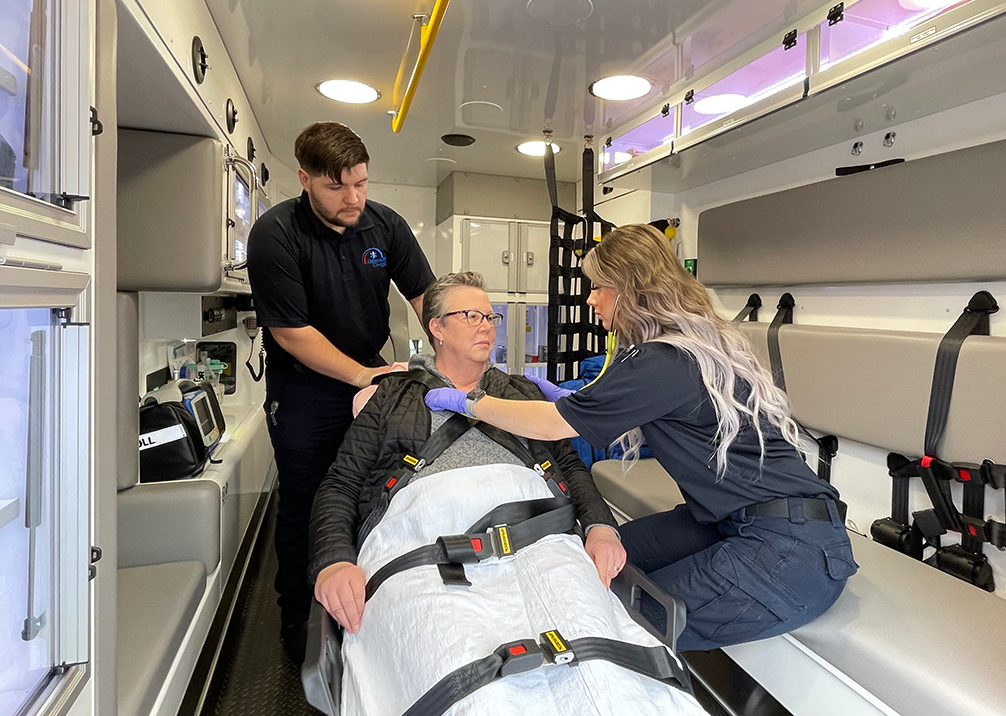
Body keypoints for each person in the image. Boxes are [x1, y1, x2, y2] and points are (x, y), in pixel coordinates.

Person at [425, 224, 858, 652]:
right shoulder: (685, 345)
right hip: (737, 520)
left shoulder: (663, 359)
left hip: (789, 550)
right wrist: (576, 400)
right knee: (594, 559)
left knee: (619, 617)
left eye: (598, 287)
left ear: (629, 288)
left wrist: (468, 400)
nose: (591, 299)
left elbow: (549, 426)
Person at [309, 271, 626, 635]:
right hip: (428, 549)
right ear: (437, 328)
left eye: (491, 317)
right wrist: (333, 561)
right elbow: (341, 484)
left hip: (537, 538)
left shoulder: (522, 393)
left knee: (593, 636)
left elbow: (570, 465)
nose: (487, 327)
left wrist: (601, 527)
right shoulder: (391, 396)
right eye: (471, 316)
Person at [246, 121, 434, 660]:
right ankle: (297, 627)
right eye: (337, 188)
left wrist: (451, 351)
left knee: (375, 488)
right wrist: (362, 377)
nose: (353, 198)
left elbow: (425, 295)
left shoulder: (384, 227)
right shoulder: (276, 234)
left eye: (362, 184)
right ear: (305, 179)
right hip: (306, 387)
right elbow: (290, 332)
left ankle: (362, 607)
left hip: (367, 371)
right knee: (306, 501)